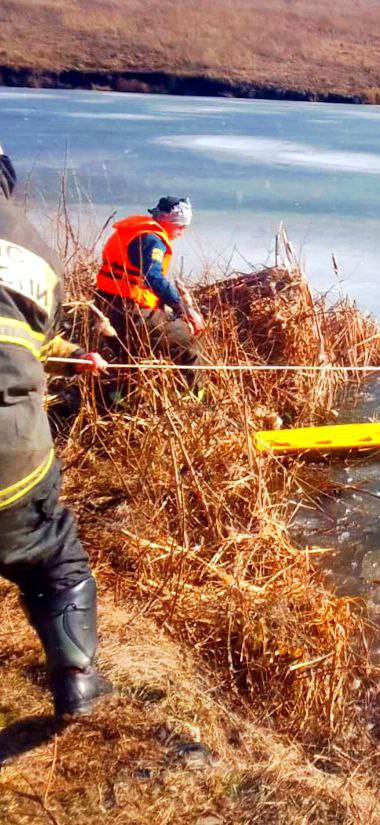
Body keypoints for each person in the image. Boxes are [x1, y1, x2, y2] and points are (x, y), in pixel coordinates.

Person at [0, 145, 112, 717]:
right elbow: (26, 336)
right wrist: (72, 353)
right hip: (11, 449)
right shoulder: (33, 247)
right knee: (50, 556)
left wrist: (72, 356)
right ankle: (76, 680)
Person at [94, 196, 205, 379]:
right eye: (180, 227)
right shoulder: (152, 240)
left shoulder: (134, 231)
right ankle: (197, 392)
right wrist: (184, 309)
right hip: (130, 310)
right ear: (167, 221)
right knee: (187, 341)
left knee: (132, 360)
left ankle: (122, 393)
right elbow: (153, 277)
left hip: (106, 305)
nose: (182, 232)